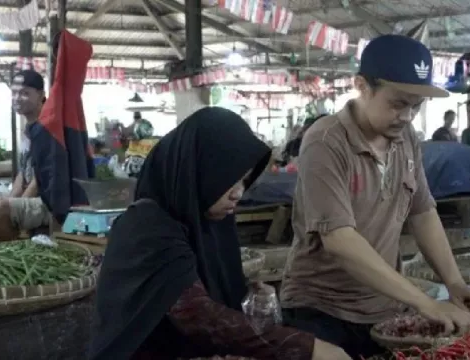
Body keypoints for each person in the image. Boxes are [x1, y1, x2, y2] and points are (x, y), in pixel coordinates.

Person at [279, 34, 470, 359]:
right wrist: (425, 303)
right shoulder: (325, 142)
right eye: (397, 103)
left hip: (382, 307)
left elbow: (423, 212)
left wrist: (454, 283)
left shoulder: (405, 138)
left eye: (416, 106)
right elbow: (338, 240)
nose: (406, 116)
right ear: (363, 86)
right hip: (322, 310)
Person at [89, 107, 350, 360]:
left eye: (245, 181)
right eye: (229, 179)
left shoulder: (207, 223)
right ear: (199, 170)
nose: (238, 192)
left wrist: (251, 298)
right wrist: (307, 348)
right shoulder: (145, 227)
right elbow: (199, 316)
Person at [0, 70, 51, 242]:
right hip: (32, 198)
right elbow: (22, 172)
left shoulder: (46, 128)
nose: (17, 98)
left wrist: (14, 205)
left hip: (48, 201)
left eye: (25, 93)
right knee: (0, 204)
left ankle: (7, 256)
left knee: (1, 209)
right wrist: (12, 199)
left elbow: (39, 180)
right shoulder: (27, 130)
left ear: (41, 95)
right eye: (15, 93)